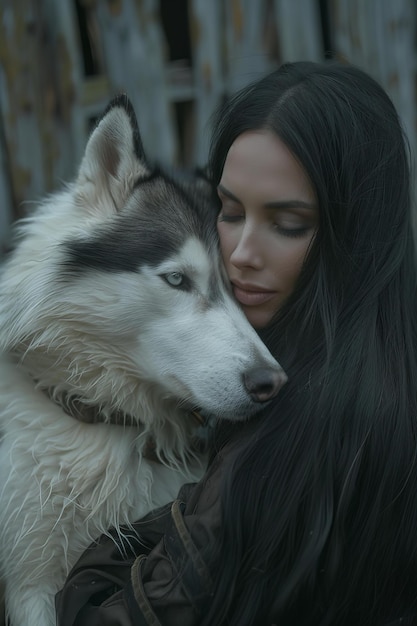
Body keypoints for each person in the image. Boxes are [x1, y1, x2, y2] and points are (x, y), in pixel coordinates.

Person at [56, 60, 417, 625]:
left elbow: (102, 614)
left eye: (287, 223)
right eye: (228, 211)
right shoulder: (383, 368)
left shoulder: (298, 437)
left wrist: (106, 555)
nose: (241, 252)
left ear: (353, 234)